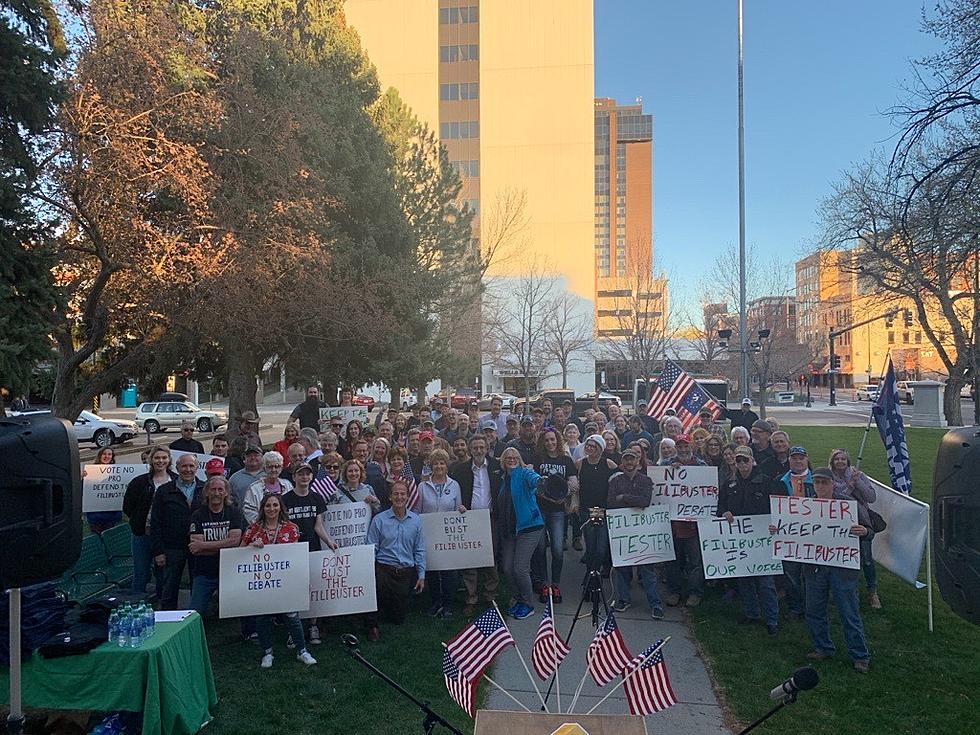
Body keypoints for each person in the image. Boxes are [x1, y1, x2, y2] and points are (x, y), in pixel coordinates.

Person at [793, 467, 872, 673]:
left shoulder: (847, 505)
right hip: (814, 568)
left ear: (832, 484)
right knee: (814, 610)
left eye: (824, 483)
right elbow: (792, 530)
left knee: (848, 612)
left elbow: (870, 529)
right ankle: (823, 647)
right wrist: (779, 529)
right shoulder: (804, 506)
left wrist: (864, 531)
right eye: (816, 483)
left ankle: (860, 655)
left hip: (842, 567)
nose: (820, 487)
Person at [241, 494, 317, 667]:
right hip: (262, 581)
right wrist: (252, 546)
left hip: (285, 581)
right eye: (268, 505)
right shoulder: (253, 529)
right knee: (262, 616)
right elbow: (240, 552)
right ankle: (267, 652)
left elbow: (295, 554)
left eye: (275, 505)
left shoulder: (291, 528)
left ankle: (302, 650)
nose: (271, 509)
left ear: (280, 507)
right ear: (262, 508)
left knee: (292, 615)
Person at [717, 445, 781, 634]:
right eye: (739, 460)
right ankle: (752, 613)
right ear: (734, 463)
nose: (742, 463)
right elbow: (720, 507)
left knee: (766, 583)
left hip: (762, 540)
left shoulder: (767, 482)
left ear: (752, 460)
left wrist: (774, 525)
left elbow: (777, 509)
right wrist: (724, 512)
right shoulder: (729, 485)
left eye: (745, 460)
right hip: (740, 540)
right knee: (744, 579)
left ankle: (772, 619)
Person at [365, 480, 426, 641]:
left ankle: (390, 608)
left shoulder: (416, 520)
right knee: (375, 601)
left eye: (402, 494)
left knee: (398, 619)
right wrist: (368, 572)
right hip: (384, 570)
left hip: (405, 573)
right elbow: (371, 547)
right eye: (396, 494)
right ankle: (372, 626)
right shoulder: (379, 520)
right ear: (390, 497)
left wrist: (421, 575)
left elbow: (419, 549)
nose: (399, 497)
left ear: (407, 497)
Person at [608, 447, 665, 620]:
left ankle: (655, 603)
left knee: (647, 570)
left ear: (638, 463)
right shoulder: (615, 481)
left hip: (643, 531)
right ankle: (624, 600)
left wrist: (624, 497)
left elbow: (645, 501)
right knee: (622, 568)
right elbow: (611, 503)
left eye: (632, 459)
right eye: (626, 459)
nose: (629, 463)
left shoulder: (646, 481)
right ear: (622, 463)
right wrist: (631, 501)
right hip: (623, 530)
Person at [450, 434, 503, 616]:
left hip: (490, 517)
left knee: (491, 557)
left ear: (487, 448)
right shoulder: (461, 469)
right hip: (469, 518)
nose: (479, 451)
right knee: (470, 559)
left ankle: (490, 596)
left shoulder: (497, 466)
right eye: (475, 448)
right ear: (470, 450)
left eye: (482, 447)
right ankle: (471, 598)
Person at [150, 453, 204, 610]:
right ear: (177, 468)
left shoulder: (204, 488)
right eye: (184, 466)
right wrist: (158, 551)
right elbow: (156, 522)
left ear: (197, 468)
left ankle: (196, 617)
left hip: (198, 546)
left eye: (191, 466)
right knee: (170, 586)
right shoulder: (164, 491)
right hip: (172, 546)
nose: (188, 470)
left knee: (198, 583)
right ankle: (168, 616)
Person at [497, 447, 545, 620]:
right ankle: (517, 598)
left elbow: (534, 480)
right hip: (510, 530)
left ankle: (528, 604)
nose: (511, 459)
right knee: (507, 568)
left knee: (520, 568)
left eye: (514, 457)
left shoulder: (524, 473)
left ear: (519, 459)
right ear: (503, 460)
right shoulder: (504, 478)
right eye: (508, 457)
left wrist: (541, 481)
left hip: (529, 527)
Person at [829, 449, 880, 609]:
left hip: (861, 520)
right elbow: (834, 497)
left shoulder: (858, 475)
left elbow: (871, 497)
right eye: (837, 459)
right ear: (832, 462)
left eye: (843, 459)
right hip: (838, 522)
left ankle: (872, 591)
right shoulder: (829, 478)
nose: (840, 462)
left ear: (848, 461)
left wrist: (857, 482)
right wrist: (849, 488)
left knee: (866, 558)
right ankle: (846, 590)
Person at [530, 428, 576, 604]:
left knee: (557, 549)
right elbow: (532, 482)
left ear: (557, 440)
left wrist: (562, 495)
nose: (550, 443)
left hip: (557, 510)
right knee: (540, 548)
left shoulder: (566, 460)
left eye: (553, 439)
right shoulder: (537, 460)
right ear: (543, 442)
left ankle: (555, 583)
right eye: (547, 440)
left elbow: (574, 484)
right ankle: (544, 584)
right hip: (540, 509)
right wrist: (544, 493)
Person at [189, 475, 244, 617]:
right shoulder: (198, 515)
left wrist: (204, 545)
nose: (216, 493)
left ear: (226, 492)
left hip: (229, 571)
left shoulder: (234, 512)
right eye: (213, 489)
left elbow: (235, 541)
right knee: (195, 612)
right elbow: (196, 548)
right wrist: (224, 546)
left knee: (243, 605)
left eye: (220, 489)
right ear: (206, 492)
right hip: (204, 572)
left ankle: (248, 633)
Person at [418, 449, 465, 618]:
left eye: (442, 463)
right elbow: (418, 511)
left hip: (447, 534)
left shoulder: (455, 485)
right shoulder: (423, 486)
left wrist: (461, 510)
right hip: (429, 534)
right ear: (431, 466)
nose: (439, 466)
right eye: (436, 463)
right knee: (432, 570)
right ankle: (435, 602)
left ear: (447, 466)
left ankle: (448, 605)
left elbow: (457, 507)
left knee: (448, 571)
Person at [123, 445, 174, 596]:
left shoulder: (176, 480)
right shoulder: (139, 482)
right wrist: (139, 520)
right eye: (157, 458)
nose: (161, 461)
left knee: (163, 574)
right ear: (151, 460)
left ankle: (161, 605)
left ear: (169, 460)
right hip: (142, 534)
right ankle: (136, 605)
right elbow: (128, 506)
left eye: (164, 458)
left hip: (166, 537)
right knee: (141, 572)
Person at [664, 435, 705, 607]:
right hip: (673, 524)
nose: (683, 450)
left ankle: (695, 593)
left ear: (692, 447)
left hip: (694, 525)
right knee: (673, 560)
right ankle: (675, 591)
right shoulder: (666, 466)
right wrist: (670, 471)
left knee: (695, 562)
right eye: (679, 447)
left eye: (686, 446)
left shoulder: (702, 466)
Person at [778, 446, 814, 617]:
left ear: (807, 459)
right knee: (791, 574)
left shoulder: (817, 480)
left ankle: (811, 606)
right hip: (789, 534)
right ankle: (795, 607)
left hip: (812, 534)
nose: (798, 461)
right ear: (789, 460)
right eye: (794, 458)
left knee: (810, 574)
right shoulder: (779, 481)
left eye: (801, 458)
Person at [575, 435, 618, 576]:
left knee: (600, 547)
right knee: (591, 545)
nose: (589, 448)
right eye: (588, 445)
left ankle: (595, 572)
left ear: (600, 448)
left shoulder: (608, 464)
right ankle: (590, 574)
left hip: (601, 509)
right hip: (587, 508)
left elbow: (618, 481)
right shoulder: (580, 463)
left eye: (593, 446)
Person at [243, 451, 294, 524]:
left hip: (286, 527)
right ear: (264, 468)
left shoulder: (288, 485)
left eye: (277, 466)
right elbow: (249, 512)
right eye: (270, 467)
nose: (273, 470)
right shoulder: (254, 488)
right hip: (262, 528)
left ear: (282, 468)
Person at [85, 446, 123, 533]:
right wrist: (83, 477)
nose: (107, 456)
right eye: (104, 454)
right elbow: (85, 490)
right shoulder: (91, 471)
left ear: (112, 457)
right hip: (95, 515)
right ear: (100, 455)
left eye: (109, 454)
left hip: (112, 514)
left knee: (110, 539)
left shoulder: (118, 472)